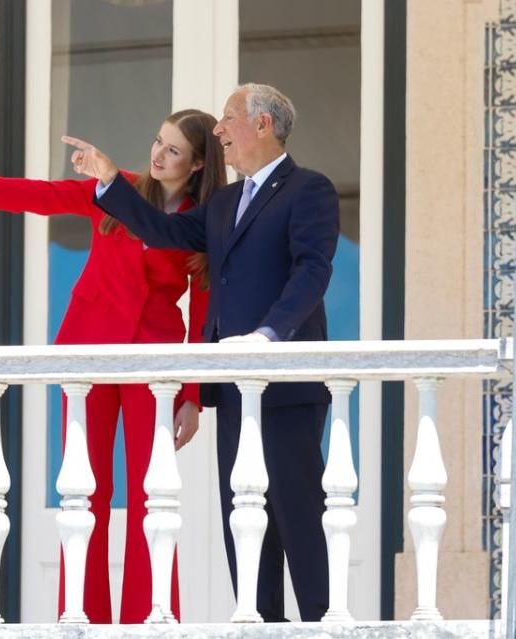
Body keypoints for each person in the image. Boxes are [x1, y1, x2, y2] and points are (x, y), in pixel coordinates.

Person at [0, 109, 226, 623]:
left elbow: (201, 311)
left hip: (154, 362)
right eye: (157, 141)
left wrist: (192, 393)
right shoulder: (119, 188)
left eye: (173, 150)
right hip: (86, 355)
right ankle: (80, 618)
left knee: (152, 497)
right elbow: (47, 196)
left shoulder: (201, 224)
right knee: (86, 493)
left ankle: (149, 620)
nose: (158, 154)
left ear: (197, 165)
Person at [63, 83, 340, 622]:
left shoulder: (309, 189)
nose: (218, 130)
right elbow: (161, 228)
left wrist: (269, 335)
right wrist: (108, 181)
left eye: (229, 119)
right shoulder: (223, 203)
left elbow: (313, 270)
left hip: (285, 383)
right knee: (246, 524)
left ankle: (322, 629)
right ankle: (258, 628)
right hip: (232, 389)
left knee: (298, 519)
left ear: (263, 125)